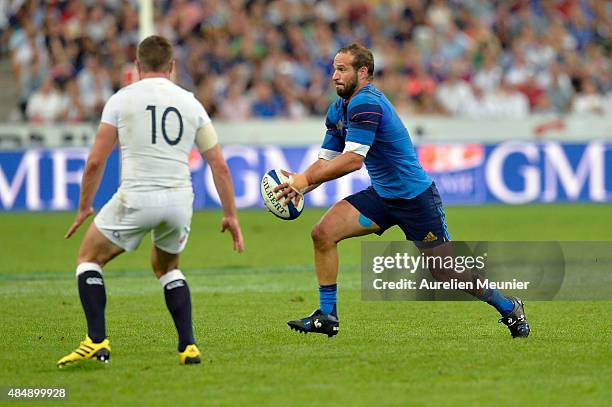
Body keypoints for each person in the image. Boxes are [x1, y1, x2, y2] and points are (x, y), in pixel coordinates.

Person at [275, 43, 529, 339]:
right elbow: (327, 162)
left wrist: (302, 180)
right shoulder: (337, 111)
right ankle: (327, 315)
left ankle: (509, 306)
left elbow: (353, 161)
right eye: (334, 68)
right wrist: (300, 186)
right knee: (322, 233)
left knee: (444, 271)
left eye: (342, 69)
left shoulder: (366, 103)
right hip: (382, 197)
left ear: (363, 72)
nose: (334, 75)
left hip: (416, 200)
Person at [57, 35, 244, 367]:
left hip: (137, 197)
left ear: (137, 66)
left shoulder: (121, 100)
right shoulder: (191, 103)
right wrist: (230, 214)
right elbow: (219, 165)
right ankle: (188, 346)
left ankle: (96, 341)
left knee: (88, 258)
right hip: (178, 200)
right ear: (172, 66)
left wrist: (85, 205)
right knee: (167, 267)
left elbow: (95, 162)